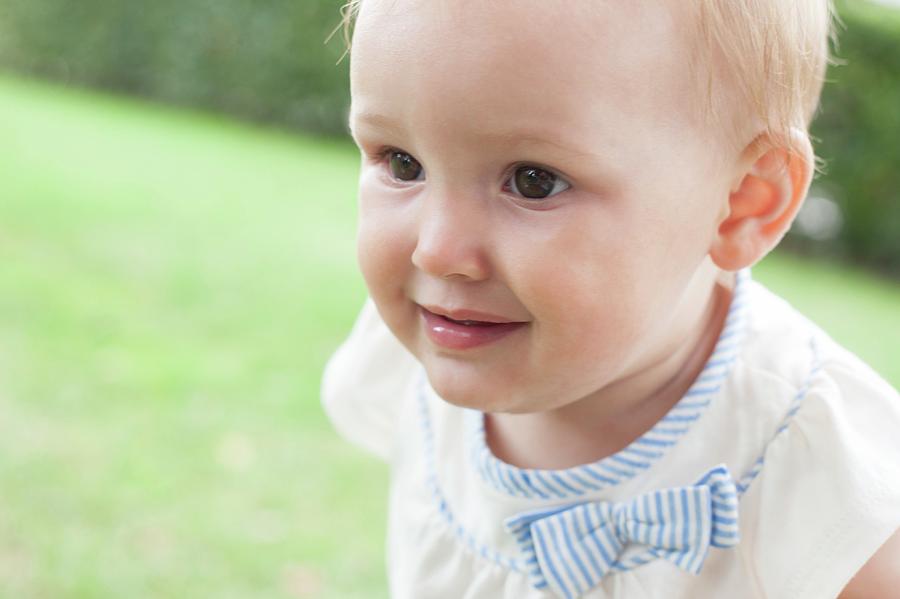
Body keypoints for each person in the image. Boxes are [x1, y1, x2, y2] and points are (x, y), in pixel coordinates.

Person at [321, 1, 900, 597]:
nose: (437, 252)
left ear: (743, 202)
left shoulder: (827, 474)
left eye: (533, 181)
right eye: (402, 163)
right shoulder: (421, 350)